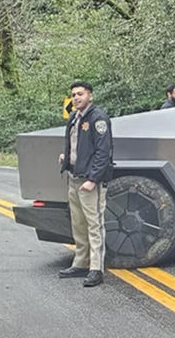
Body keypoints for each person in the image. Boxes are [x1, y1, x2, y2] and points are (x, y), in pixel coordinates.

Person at [56, 80, 113, 287]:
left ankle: (96, 269)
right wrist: (67, 156)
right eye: (73, 95)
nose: (76, 98)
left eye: (80, 94)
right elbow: (77, 144)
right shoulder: (74, 117)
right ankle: (81, 263)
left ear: (90, 96)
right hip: (74, 177)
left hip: (90, 182)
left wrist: (93, 179)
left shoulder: (98, 118)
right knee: (78, 224)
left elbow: (103, 152)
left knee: (94, 224)